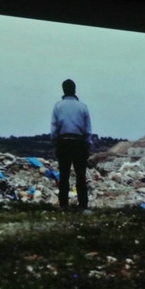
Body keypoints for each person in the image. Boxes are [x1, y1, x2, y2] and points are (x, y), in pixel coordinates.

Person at [50, 79, 93, 212]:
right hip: (79, 143)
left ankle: (64, 205)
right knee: (81, 175)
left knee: (64, 175)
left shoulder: (58, 106)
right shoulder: (82, 107)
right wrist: (88, 145)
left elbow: (54, 128)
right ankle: (83, 205)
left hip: (63, 142)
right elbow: (88, 130)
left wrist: (55, 143)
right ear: (74, 89)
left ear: (64, 90)